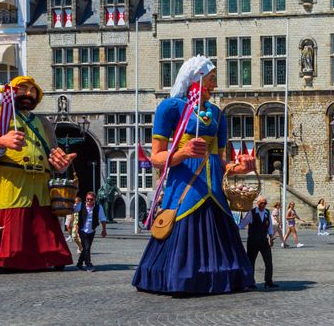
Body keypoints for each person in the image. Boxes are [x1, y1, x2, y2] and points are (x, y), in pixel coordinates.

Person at [132, 56, 256, 295]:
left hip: (214, 190)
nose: (214, 85)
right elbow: (155, 157)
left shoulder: (218, 115)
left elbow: (220, 161)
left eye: (214, 80)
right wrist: (182, 153)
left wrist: (239, 168)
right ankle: (181, 279)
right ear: (195, 80)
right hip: (185, 185)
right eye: (210, 80)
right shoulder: (170, 108)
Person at [0, 76, 75, 271]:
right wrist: (1, 143)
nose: (29, 94)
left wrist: (60, 163)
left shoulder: (43, 122)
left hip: (39, 184)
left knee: (43, 223)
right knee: (13, 223)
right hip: (10, 182)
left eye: (32, 90)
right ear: (11, 92)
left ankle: (50, 257)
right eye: (23, 89)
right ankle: (5, 259)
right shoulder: (0, 118)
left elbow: (51, 153)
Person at [239, 196, 277, 289]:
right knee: (251, 262)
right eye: (261, 203)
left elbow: (270, 227)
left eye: (265, 203)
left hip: (264, 240)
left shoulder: (267, 213)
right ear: (257, 203)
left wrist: (271, 238)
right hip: (253, 241)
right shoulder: (251, 213)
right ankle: (250, 282)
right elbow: (243, 224)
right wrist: (233, 226)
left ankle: (268, 281)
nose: (263, 205)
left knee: (268, 261)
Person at [74, 191, 107, 272]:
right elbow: (73, 209)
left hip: (92, 230)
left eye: (91, 199)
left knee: (86, 248)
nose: (89, 201)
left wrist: (104, 230)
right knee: (87, 247)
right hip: (82, 230)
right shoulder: (81, 205)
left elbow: (103, 219)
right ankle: (89, 265)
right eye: (87, 199)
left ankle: (79, 264)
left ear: (94, 200)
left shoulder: (99, 207)